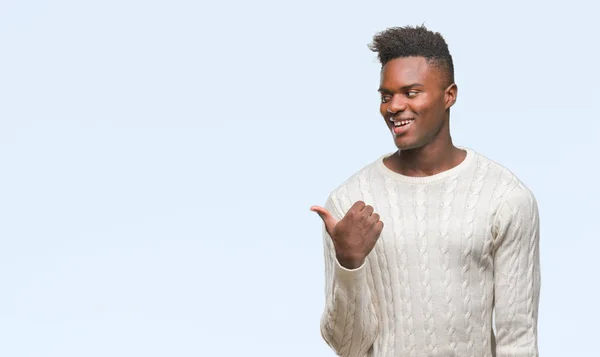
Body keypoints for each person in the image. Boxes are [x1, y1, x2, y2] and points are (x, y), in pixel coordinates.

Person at [310, 25, 541, 357]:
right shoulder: (349, 203)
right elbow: (348, 346)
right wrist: (349, 262)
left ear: (449, 95)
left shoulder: (505, 198)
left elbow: (517, 339)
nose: (394, 106)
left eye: (411, 92)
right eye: (386, 95)